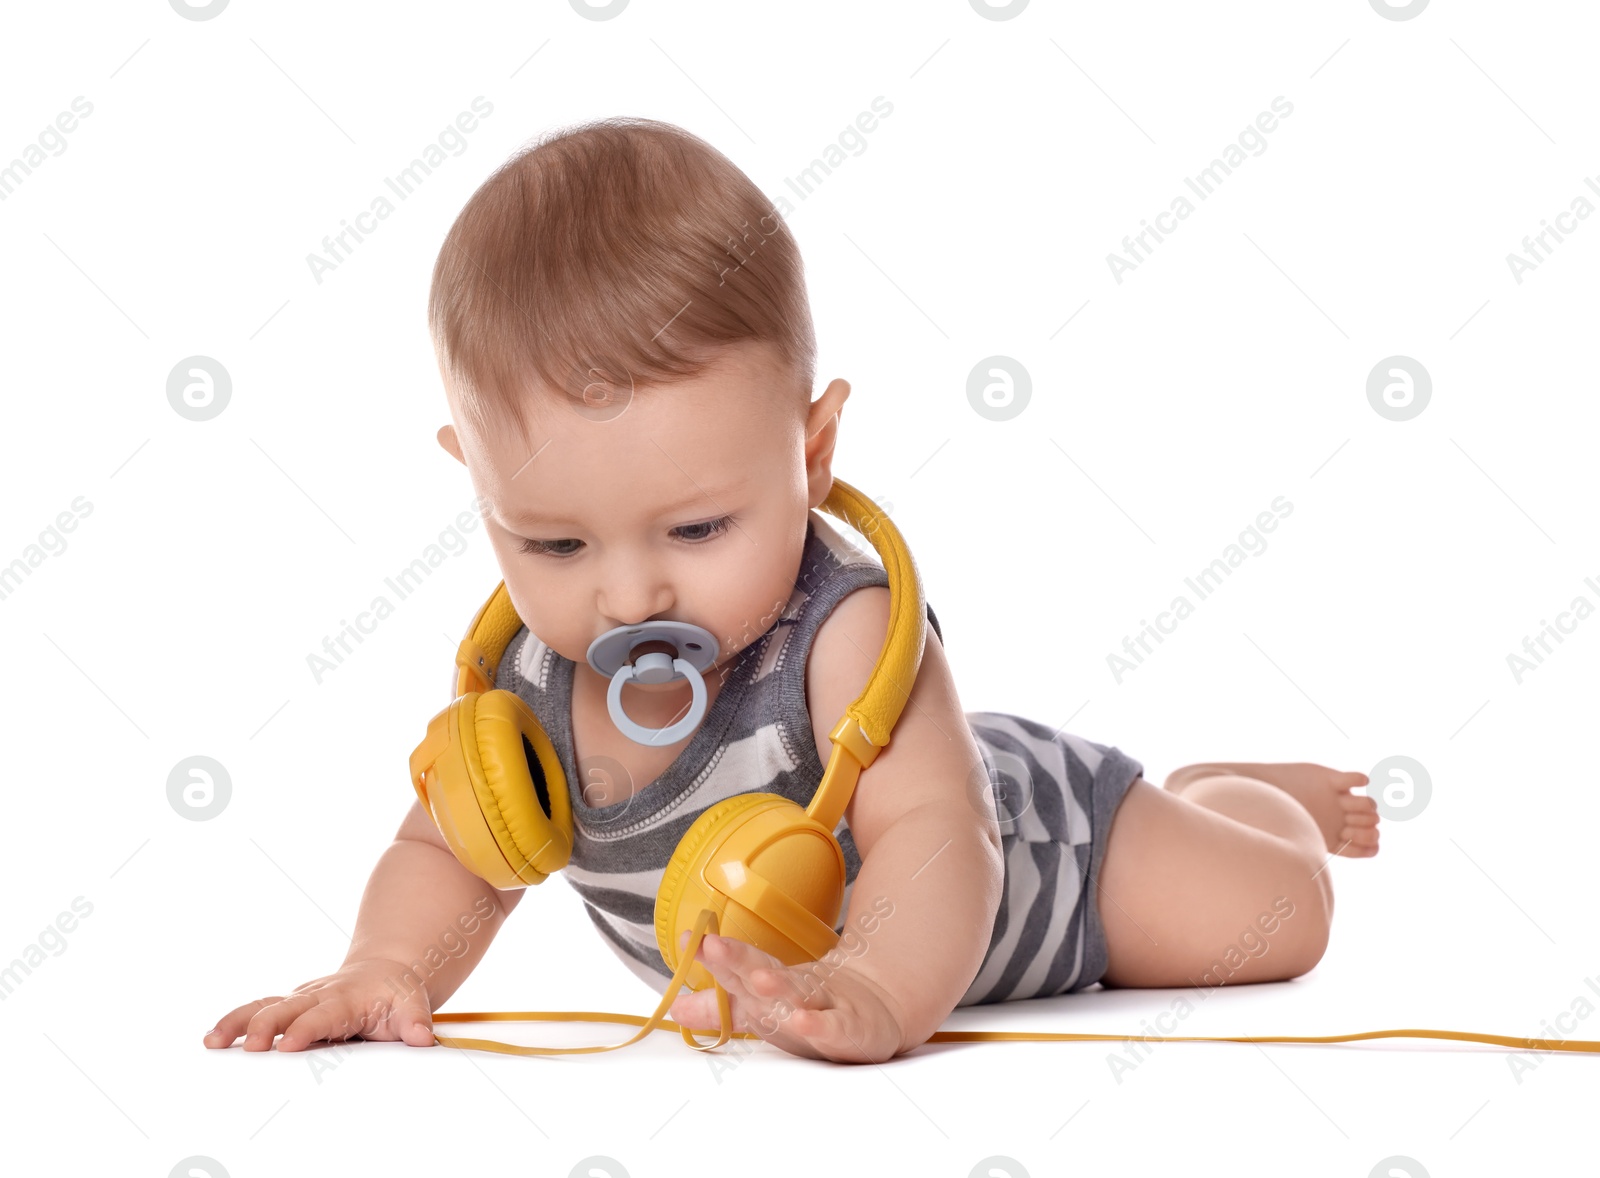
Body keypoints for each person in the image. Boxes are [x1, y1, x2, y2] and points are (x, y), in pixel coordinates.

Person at [203, 117, 1379, 1064]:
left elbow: (934, 831)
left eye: (701, 525)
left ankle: (1233, 789)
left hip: (1048, 849)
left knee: (1275, 917)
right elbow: (451, 851)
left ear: (811, 456)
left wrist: (874, 979)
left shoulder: (845, 631)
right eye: (554, 543)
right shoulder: (528, 691)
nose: (627, 595)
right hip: (906, 878)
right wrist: (386, 964)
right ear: (477, 484)